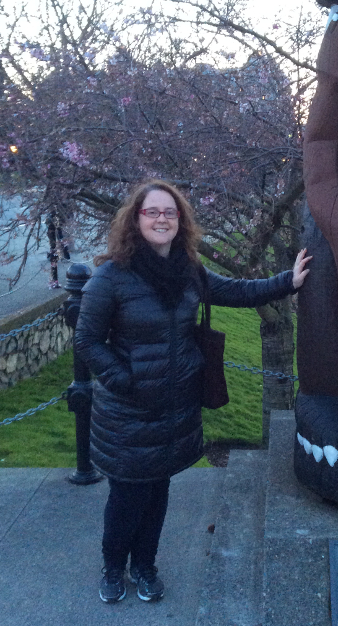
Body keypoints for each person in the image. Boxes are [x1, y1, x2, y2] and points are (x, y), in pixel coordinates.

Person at [74, 180, 311, 604]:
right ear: (136, 219)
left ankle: (145, 566)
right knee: (128, 495)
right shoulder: (111, 277)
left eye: (170, 212)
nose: (162, 218)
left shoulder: (188, 270)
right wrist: (124, 381)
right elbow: (88, 341)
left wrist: (287, 282)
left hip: (175, 406)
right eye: (152, 212)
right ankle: (113, 567)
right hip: (128, 411)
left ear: (180, 220)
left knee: (159, 492)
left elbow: (236, 292)